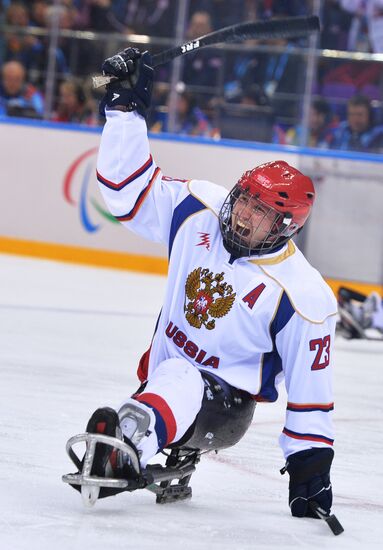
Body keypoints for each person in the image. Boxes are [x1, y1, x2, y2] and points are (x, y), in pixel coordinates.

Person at [65, 48, 338, 520]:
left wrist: (310, 470)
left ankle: (129, 438)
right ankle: (135, 428)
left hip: (226, 407)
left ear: (286, 227)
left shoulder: (302, 294)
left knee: (183, 377)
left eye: (260, 212)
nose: (243, 214)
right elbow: (125, 191)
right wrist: (125, 111)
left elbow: (310, 390)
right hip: (162, 374)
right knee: (174, 375)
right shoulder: (199, 211)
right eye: (244, 200)